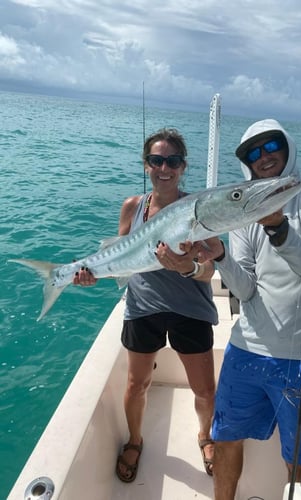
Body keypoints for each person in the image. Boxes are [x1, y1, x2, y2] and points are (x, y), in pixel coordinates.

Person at [196, 118, 301, 500]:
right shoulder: (243, 208)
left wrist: (278, 227)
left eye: (270, 146)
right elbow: (246, 288)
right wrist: (221, 258)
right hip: (246, 349)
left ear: (287, 146)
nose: (263, 157)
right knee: (226, 437)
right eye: (252, 153)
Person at [74, 128, 218, 481]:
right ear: (146, 164)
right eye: (156, 160)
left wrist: (190, 267)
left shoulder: (194, 210)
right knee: (136, 384)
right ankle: (134, 440)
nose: (163, 168)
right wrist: (92, 274)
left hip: (191, 309)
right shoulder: (133, 207)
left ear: (183, 167)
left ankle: (205, 436)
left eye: (172, 161)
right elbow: (120, 258)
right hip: (143, 308)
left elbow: (210, 266)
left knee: (204, 389)